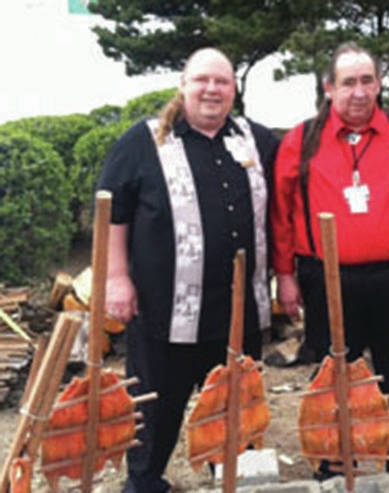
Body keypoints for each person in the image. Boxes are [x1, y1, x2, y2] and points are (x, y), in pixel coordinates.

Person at [270, 42, 389, 474]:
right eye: (348, 82)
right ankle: (335, 462)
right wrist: (285, 274)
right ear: (329, 87)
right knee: (334, 372)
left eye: (367, 80)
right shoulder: (300, 142)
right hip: (328, 279)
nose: (358, 91)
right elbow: (282, 215)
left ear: (379, 84)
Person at [99, 47, 279, 492]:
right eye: (202, 80)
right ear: (183, 85)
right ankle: (144, 482)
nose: (212, 89)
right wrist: (115, 277)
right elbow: (111, 213)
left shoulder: (257, 140)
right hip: (166, 314)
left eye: (222, 81)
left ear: (234, 89)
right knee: (156, 408)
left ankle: (232, 480)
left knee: (235, 409)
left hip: (240, 313)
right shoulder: (143, 141)